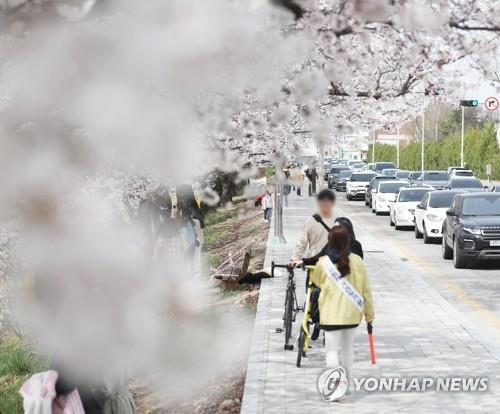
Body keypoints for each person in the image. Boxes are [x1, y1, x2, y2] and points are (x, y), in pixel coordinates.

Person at [309, 225, 374, 396]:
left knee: (331, 351)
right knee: (347, 351)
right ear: (347, 242)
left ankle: (336, 387)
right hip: (352, 314)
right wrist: (369, 315)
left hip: (330, 315)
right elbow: (366, 291)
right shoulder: (358, 262)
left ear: (329, 242)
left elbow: (317, 282)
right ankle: (348, 385)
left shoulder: (323, 263)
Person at [290, 189, 336, 264]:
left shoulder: (310, 221)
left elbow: (302, 243)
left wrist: (294, 259)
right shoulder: (338, 221)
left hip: (314, 261)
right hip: (332, 262)